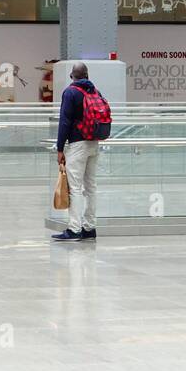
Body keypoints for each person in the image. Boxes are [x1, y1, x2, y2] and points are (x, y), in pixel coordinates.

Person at [52, 62, 111, 242]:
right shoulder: (95, 92)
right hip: (94, 143)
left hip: (77, 145)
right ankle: (89, 227)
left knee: (75, 188)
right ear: (87, 76)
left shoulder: (70, 92)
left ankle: (74, 229)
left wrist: (60, 148)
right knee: (90, 187)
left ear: (72, 76)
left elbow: (64, 122)